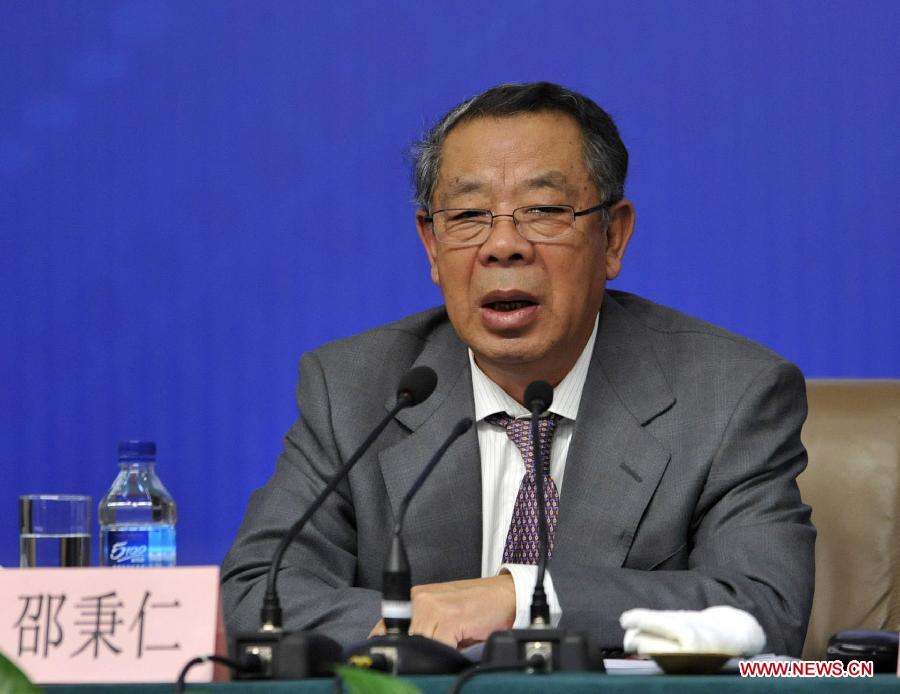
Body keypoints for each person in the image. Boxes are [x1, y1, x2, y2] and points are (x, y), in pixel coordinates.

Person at [221, 82, 815, 656]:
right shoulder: (356, 388)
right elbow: (257, 591)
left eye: (543, 209)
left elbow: (764, 606)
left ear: (614, 237)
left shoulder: (728, 394)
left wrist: (522, 598)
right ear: (431, 244)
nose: (503, 245)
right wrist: (426, 625)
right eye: (469, 216)